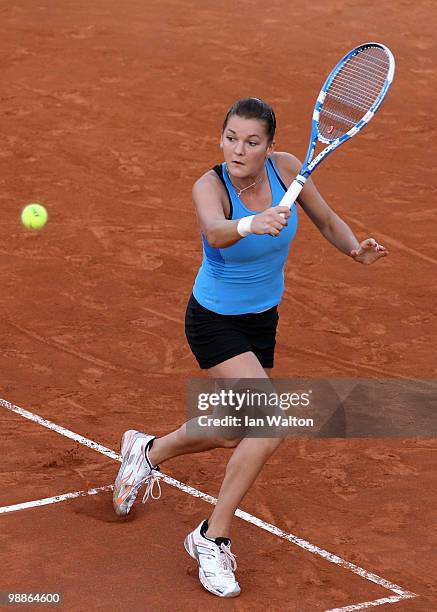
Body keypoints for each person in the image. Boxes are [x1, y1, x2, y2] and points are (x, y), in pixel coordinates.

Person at [112, 97, 388, 598]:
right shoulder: (210, 185)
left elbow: (326, 218)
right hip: (214, 322)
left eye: (252, 141)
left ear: (270, 147)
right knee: (270, 421)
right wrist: (250, 223)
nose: (239, 149)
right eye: (231, 138)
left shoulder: (287, 172)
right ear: (221, 138)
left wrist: (354, 250)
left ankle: (148, 451)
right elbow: (215, 234)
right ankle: (210, 537)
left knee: (231, 432)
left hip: (261, 321)